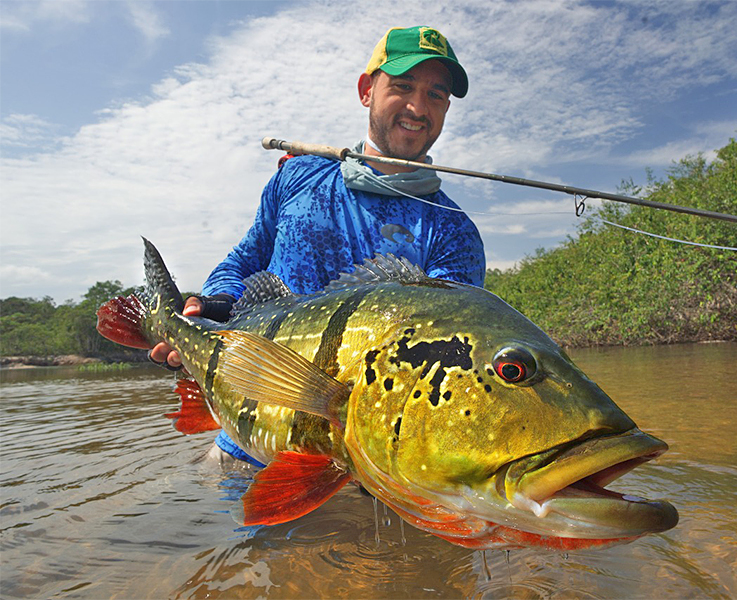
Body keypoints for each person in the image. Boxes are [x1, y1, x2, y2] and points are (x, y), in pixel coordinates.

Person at [148, 26, 485, 467]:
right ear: (367, 90)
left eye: (436, 95)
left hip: (360, 466)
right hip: (243, 445)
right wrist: (210, 307)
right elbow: (245, 260)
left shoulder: (454, 230)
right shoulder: (297, 177)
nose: (418, 107)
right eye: (402, 86)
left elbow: (445, 360)